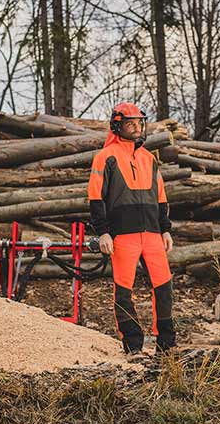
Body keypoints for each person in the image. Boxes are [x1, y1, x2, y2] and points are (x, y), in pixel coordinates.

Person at [87, 102, 176, 355]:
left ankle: (167, 345)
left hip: (152, 234)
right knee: (124, 289)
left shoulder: (149, 159)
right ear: (118, 126)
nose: (137, 128)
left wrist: (165, 229)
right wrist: (103, 231)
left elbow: (161, 197)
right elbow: (95, 196)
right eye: (130, 124)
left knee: (164, 286)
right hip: (122, 235)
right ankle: (133, 345)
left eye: (139, 123)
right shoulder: (105, 157)